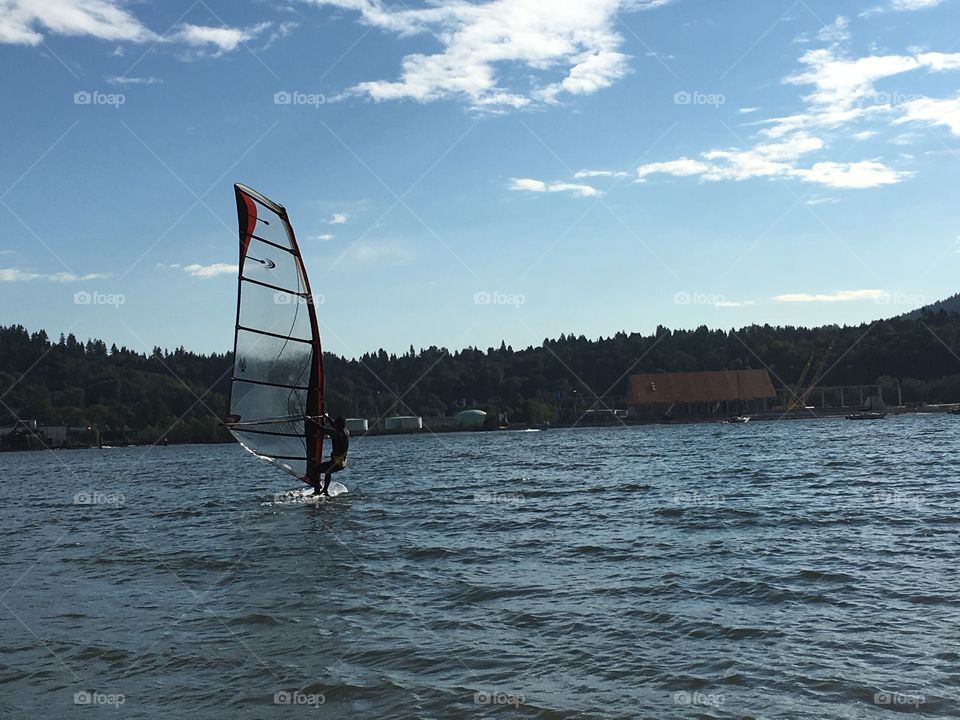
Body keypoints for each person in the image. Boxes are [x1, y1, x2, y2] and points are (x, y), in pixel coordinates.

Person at [311, 414, 350, 496]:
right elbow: (334, 426)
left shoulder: (336, 434)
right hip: (342, 462)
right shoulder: (345, 431)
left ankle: (319, 489)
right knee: (328, 471)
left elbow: (322, 429)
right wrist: (327, 418)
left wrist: (309, 420)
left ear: (337, 425)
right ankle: (324, 490)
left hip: (337, 462)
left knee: (315, 470)